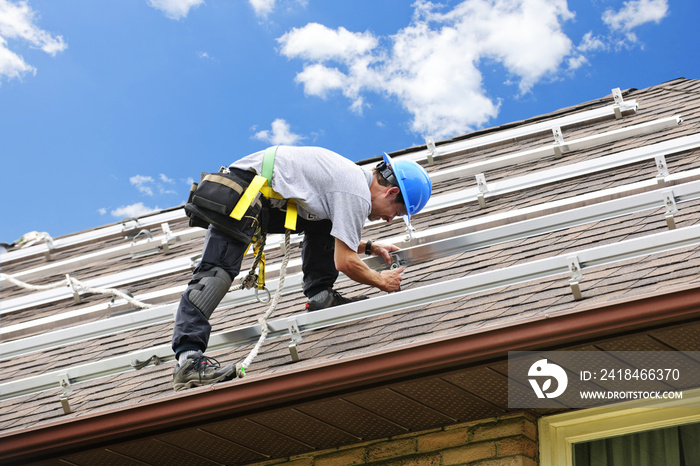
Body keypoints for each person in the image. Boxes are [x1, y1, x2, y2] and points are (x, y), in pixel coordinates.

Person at [171, 146, 432, 391]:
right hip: (244, 193)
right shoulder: (356, 193)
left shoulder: (351, 180)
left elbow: (335, 233)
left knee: (323, 222)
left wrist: (369, 246)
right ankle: (188, 361)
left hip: (260, 195)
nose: (387, 220)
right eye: (395, 214)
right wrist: (381, 281)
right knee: (215, 276)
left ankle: (321, 296)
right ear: (391, 193)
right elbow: (345, 262)